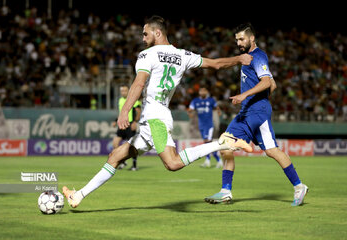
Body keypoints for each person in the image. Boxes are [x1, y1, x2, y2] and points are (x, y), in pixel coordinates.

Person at [62, 15, 253, 208]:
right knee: (116, 156)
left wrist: (124, 111)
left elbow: (139, 83)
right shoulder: (183, 55)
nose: (143, 38)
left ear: (157, 32)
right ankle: (78, 195)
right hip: (154, 117)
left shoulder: (147, 55)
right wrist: (238, 59)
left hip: (155, 116)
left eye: (146, 34)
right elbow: (216, 64)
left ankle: (222, 143)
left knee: (173, 164)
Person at [204, 23, 308, 207]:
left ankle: (227, 188)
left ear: (252, 38)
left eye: (242, 39)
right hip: (250, 110)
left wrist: (246, 95)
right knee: (269, 151)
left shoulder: (257, 56)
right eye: (236, 39)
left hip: (256, 112)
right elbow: (272, 84)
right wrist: (260, 96)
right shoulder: (249, 58)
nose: (238, 43)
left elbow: (267, 82)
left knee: (228, 143)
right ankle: (226, 191)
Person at [188, 86, 222, 168]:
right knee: (206, 143)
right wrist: (190, 113)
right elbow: (190, 109)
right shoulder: (195, 101)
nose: (202, 92)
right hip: (201, 125)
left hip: (209, 125)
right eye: (201, 91)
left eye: (204, 91)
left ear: (207, 92)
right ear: (199, 92)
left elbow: (217, 108)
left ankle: (216, 161)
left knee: (208, 143)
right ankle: (211, 161)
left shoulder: (211, 100)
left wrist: (218, 111)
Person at [112, 85, 141, 171]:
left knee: (131, 145)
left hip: (130, 124)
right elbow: (121, 112)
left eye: (125, 91)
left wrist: (135, 122)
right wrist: (116, 120)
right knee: (115, 143)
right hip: (122, 125)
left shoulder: (133, 99)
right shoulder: (120, 100)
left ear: (128, 91)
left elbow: (138, 111)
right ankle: (123, 161)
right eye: (122, 91)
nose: (123, 92)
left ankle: (134, 165)